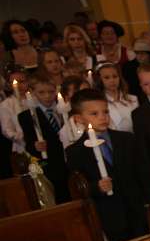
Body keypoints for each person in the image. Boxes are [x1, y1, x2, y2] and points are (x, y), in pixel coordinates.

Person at [66, 88, 150, 241]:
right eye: (94, 114)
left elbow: (143, 172)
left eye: (105, 112)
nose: (102, 117)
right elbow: (77, 189)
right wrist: (96, 187)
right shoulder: (75, 152)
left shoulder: (127, 140)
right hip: (109, 216)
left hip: (137, 210)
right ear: (79, 118)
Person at [18, 73, 69, 202]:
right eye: (41, 92)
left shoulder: (64, 110)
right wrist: (35, 146)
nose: (47, 96)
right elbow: (29, 143)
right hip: (49, 162)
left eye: (51, 92)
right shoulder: (26, 116)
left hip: (67, 159)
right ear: (34, 93)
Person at [0, 67, 27, 177]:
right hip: (21, 147)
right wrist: (22, 138)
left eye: (22, 81)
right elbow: (7, 130)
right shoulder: (6, 104)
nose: (19, 86)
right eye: (14, 82)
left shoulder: (33, 99)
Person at [97, 62, 138, 133]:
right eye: (107, 77)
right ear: (100, 80)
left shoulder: (133, 99)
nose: (112, 80)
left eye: (115, 76)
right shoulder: (99, 103)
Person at [57, 75, 90, 148]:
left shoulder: (101, 114)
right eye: (78, 93)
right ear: (67, 99)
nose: (84, 97)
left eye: (87, 92)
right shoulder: (67, 129)